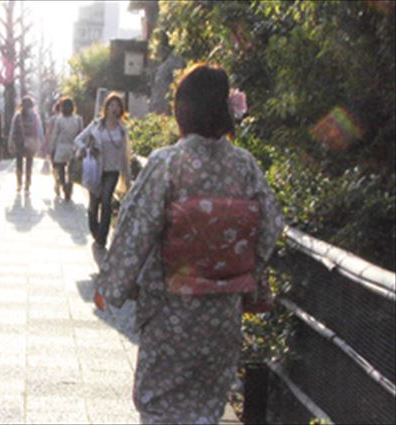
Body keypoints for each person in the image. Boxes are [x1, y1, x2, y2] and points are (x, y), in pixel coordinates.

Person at [93, 64, 284, 424]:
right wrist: (243, 274)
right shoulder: (245, 166)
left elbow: (137, 228)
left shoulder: (169, 163)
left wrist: (111, 285)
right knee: (207, 406)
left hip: (171, 309)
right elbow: (271, 225)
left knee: (160, 402)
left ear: (184, 110)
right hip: (223, 314)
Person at [75, 92, 131, 247]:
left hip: (112, 171)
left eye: (117, 106)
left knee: (106, 201)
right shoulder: (96, 125)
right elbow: (78, 140)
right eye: (111, 105)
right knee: (94, 205)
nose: (114, 108)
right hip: (95, 169)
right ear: (106, 107)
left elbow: (125, 155)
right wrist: (87, 149)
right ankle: (94, 229)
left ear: (121, 109)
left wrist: (128, 179)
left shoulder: (122, 130)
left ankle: (102, 237)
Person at [49, 97, 83, 201]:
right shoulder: (78, 119)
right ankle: (69, 188)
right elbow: (81, 134)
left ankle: (64, 186)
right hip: (73, 148)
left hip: (61, 147)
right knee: (72, 170)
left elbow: (55, 135)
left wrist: (52, 149)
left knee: (61, 169)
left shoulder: (59, 119)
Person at [8, 96, 44, 192]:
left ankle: (19, 184)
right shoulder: (35, 116)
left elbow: (12, 130)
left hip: (19, 142)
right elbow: (39, 129)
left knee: (19, 162)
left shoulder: (17, 116)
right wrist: (41, 142)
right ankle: (27, 184)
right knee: (29, 163)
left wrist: (10, 142)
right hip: (31, 142)